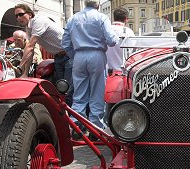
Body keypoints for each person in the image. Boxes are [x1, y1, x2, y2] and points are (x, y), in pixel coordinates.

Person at [62, 0, 119, 138]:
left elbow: (65, 43)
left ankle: (76, 126)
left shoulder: (73, 18)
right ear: (98, 4)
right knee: (97, 92)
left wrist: (75, 55)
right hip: (97, 55)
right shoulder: (101, 17)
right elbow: (112, 40)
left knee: (79, 94)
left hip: (79, 56)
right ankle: (96, 128)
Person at [14, 3, 73, 104]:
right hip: (58, 57)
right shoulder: (29, 28)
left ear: (30, 14)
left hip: (70, 55)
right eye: (16, 16)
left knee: (68, 89)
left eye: (20, 14)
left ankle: (74, 118)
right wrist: (25, 73)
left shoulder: (39, 21)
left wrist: (20, 67)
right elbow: (30, 51)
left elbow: (30, 46)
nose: (18, 18)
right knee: (61, 90)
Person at [107, 7, 135, 72]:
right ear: (126, 19)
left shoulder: (107, 30)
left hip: (107, 72)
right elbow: (131, 52)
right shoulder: (129, 32)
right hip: (122, 71)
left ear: (114, 18)